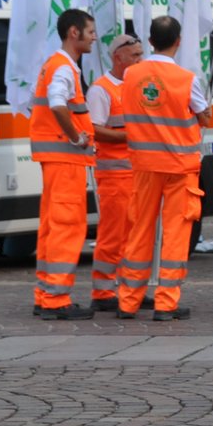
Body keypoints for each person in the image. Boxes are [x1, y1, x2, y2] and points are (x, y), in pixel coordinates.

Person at [116, 16, 212, 321]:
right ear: (179, 41)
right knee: (175, 234)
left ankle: (128, 301)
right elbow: (204, 115)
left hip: (144, 164)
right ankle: (165, 303)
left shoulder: (131, 75)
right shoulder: (187, 79)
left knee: (139, 230)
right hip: (180, 166)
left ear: (150, 41)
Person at [29, 8, 98, 320]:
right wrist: (76, 136)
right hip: (65, 157)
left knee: (52, 226)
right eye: (91, 32)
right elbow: (57, 104)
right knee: (68, 226)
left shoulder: (53, 64)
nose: (94, 37)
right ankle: (57, 299)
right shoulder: (64, 69)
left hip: (54, 158)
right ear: (74, 33)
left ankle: (46, 294)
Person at [84, 32, 144, 314]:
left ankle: (130, 289)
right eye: (135, 55)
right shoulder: (101, 89)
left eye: (141, 54)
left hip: (137, 175)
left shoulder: (138, 85)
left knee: (135, 237)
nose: (140, 59)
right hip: (115, 176)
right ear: (117, 57)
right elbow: (93, 129)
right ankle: (103, 291)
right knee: (113, 236)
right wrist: (130, 137)